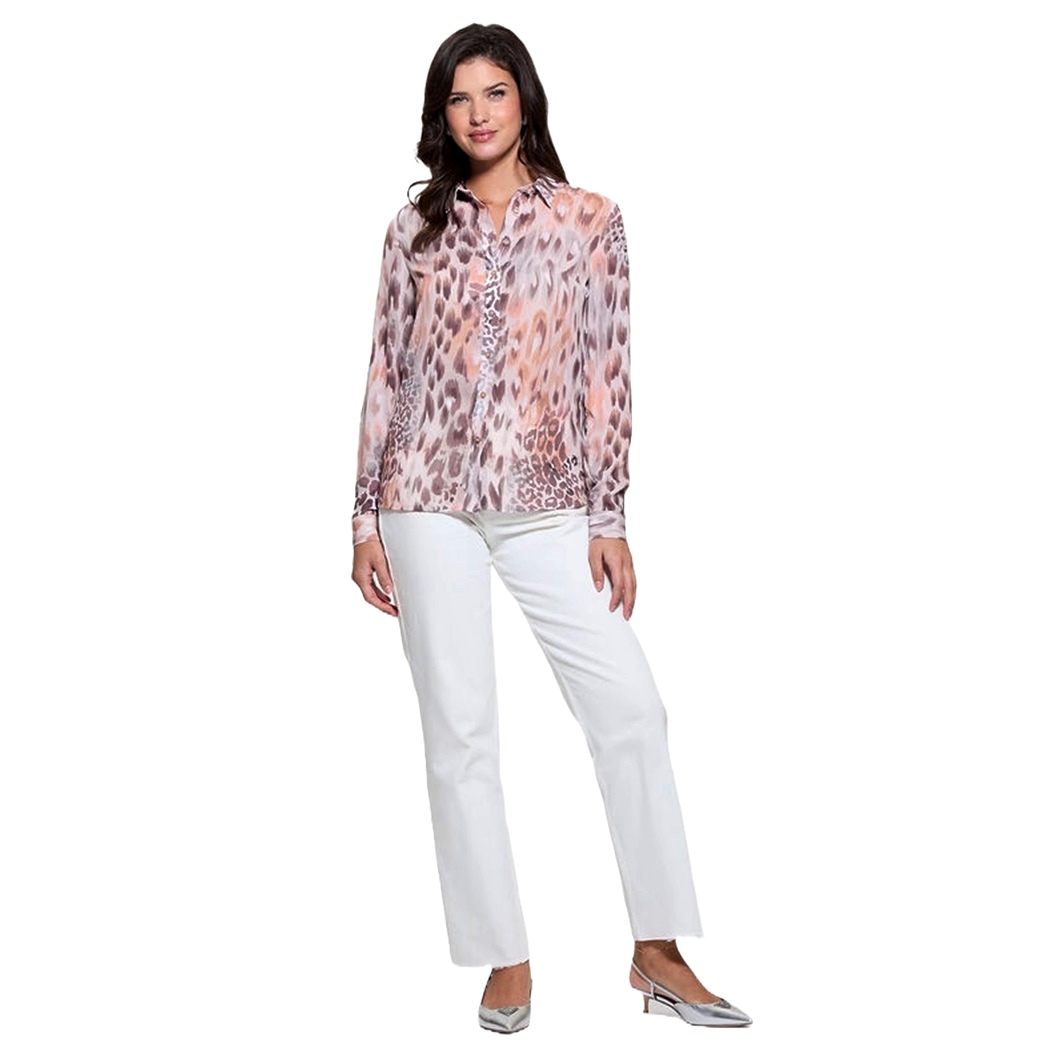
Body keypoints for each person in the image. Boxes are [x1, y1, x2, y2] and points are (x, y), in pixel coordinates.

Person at [351, 23, 752, 1034]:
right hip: (425, 496)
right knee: (461, 732)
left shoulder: (590, 221)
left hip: (549, 501)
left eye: (494, 92)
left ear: (524, 98)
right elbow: (386, 371)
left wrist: (609, 516)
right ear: (441, 115)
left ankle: (658, 950)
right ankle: (505, 956)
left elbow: (607, 373)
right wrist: (364, 516)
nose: (477, 113)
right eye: (458, 98)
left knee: (631, 709)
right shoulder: (414, 230)